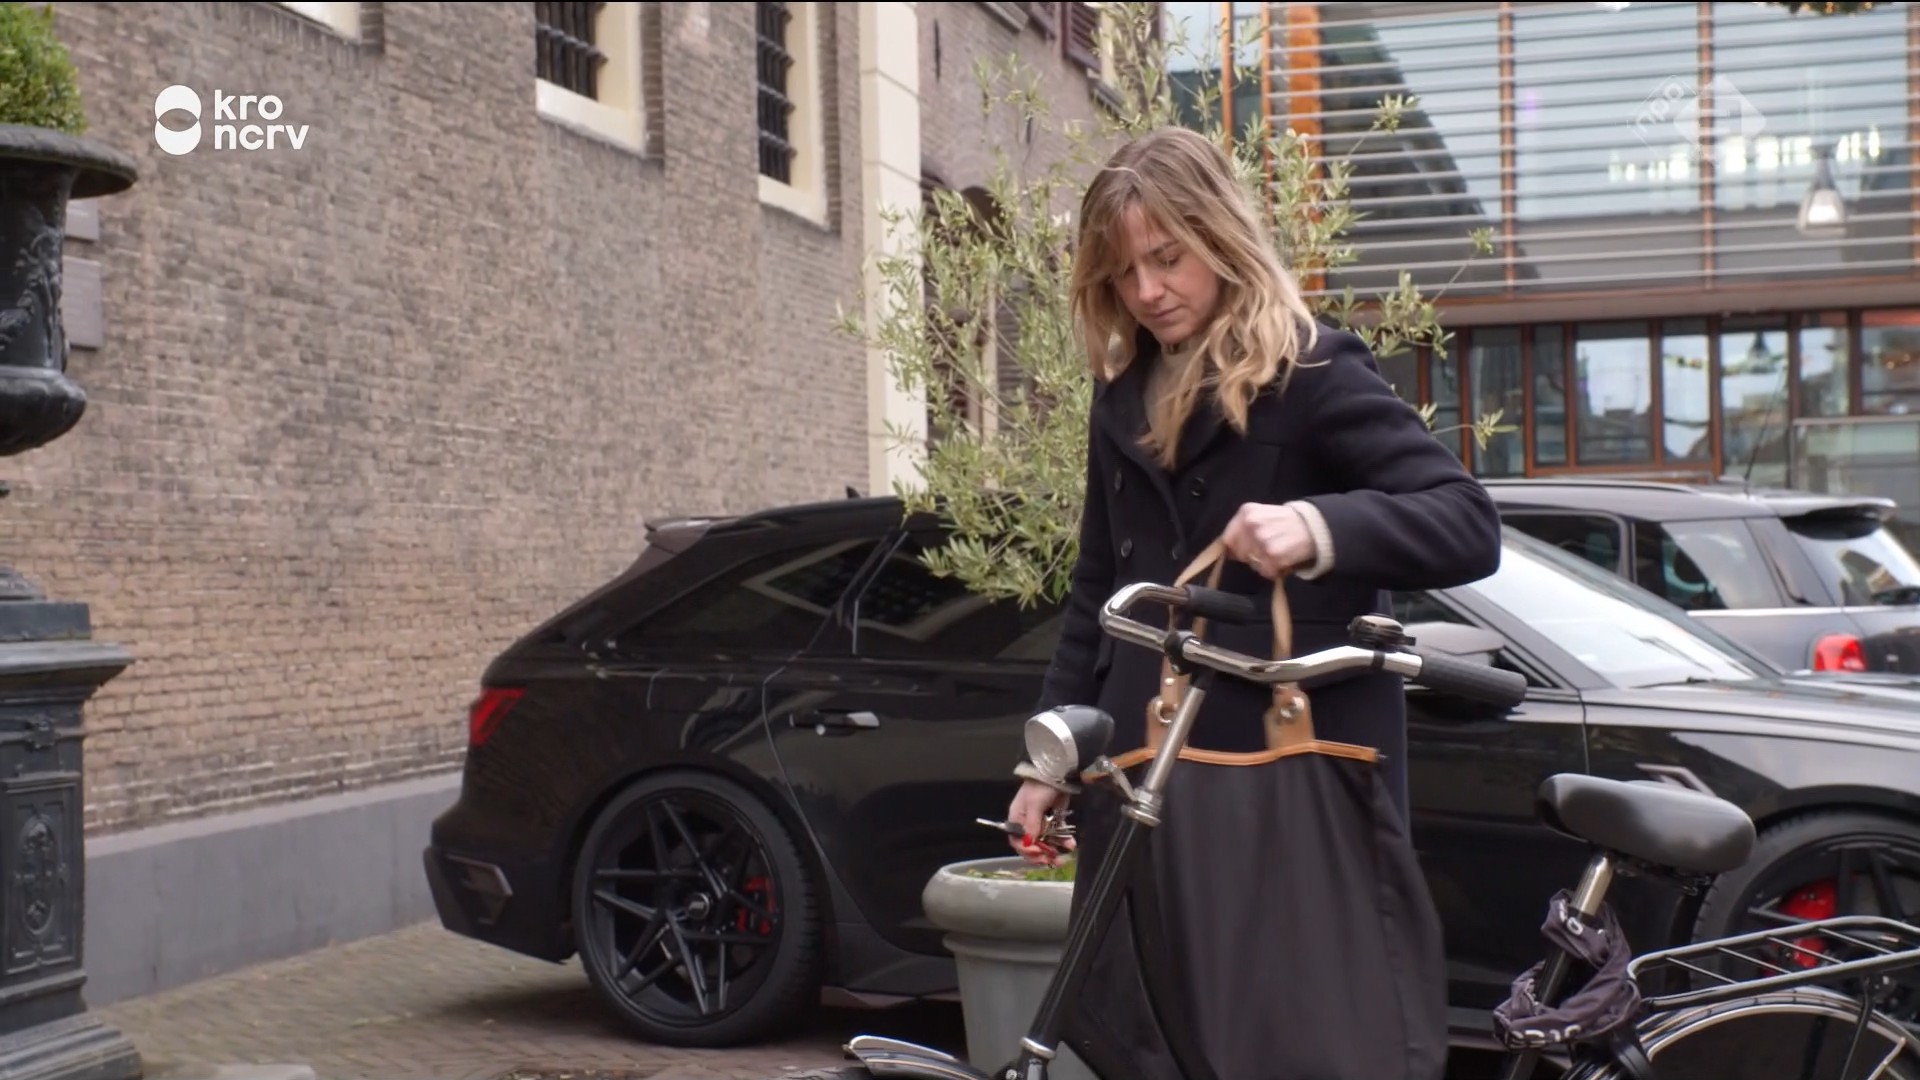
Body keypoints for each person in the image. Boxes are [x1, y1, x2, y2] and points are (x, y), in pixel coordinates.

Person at [1001, 125, 1505, 1080]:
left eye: (1167, 257)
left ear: (1221, 237)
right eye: (1122, 272)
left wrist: (1316, 527)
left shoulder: (1312, 371)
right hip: (1146, 772)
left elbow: (1466, 521)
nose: (1147, 290)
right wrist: (1049, 761)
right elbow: (1099, 594)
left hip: (1287, 778)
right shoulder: (1121, 399)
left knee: (1300, 1041)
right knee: (1153, 1038)